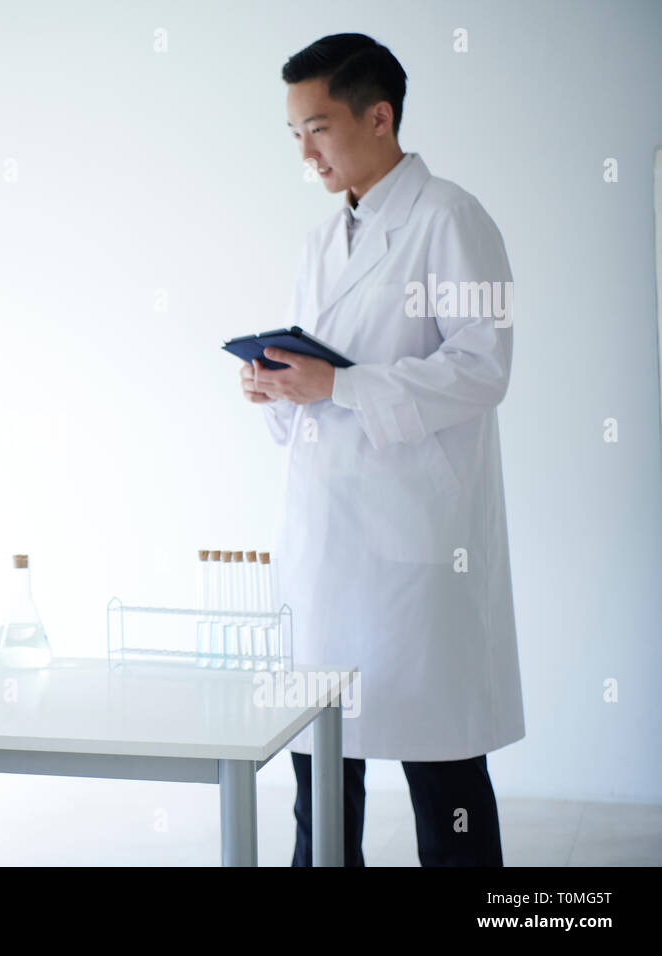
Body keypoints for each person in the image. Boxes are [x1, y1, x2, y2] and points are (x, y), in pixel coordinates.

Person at [240, 34, 524, 866]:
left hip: (417, 553)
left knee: (444, 776)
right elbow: (314, 392)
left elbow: (483, 369)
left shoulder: (453, 218)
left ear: (379, 115)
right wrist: (275, 388)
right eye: (294, 132)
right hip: (326, 549)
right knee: (320, 774)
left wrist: (341, 389)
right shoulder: (324, 241)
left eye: (318, 128)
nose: (305, 151)